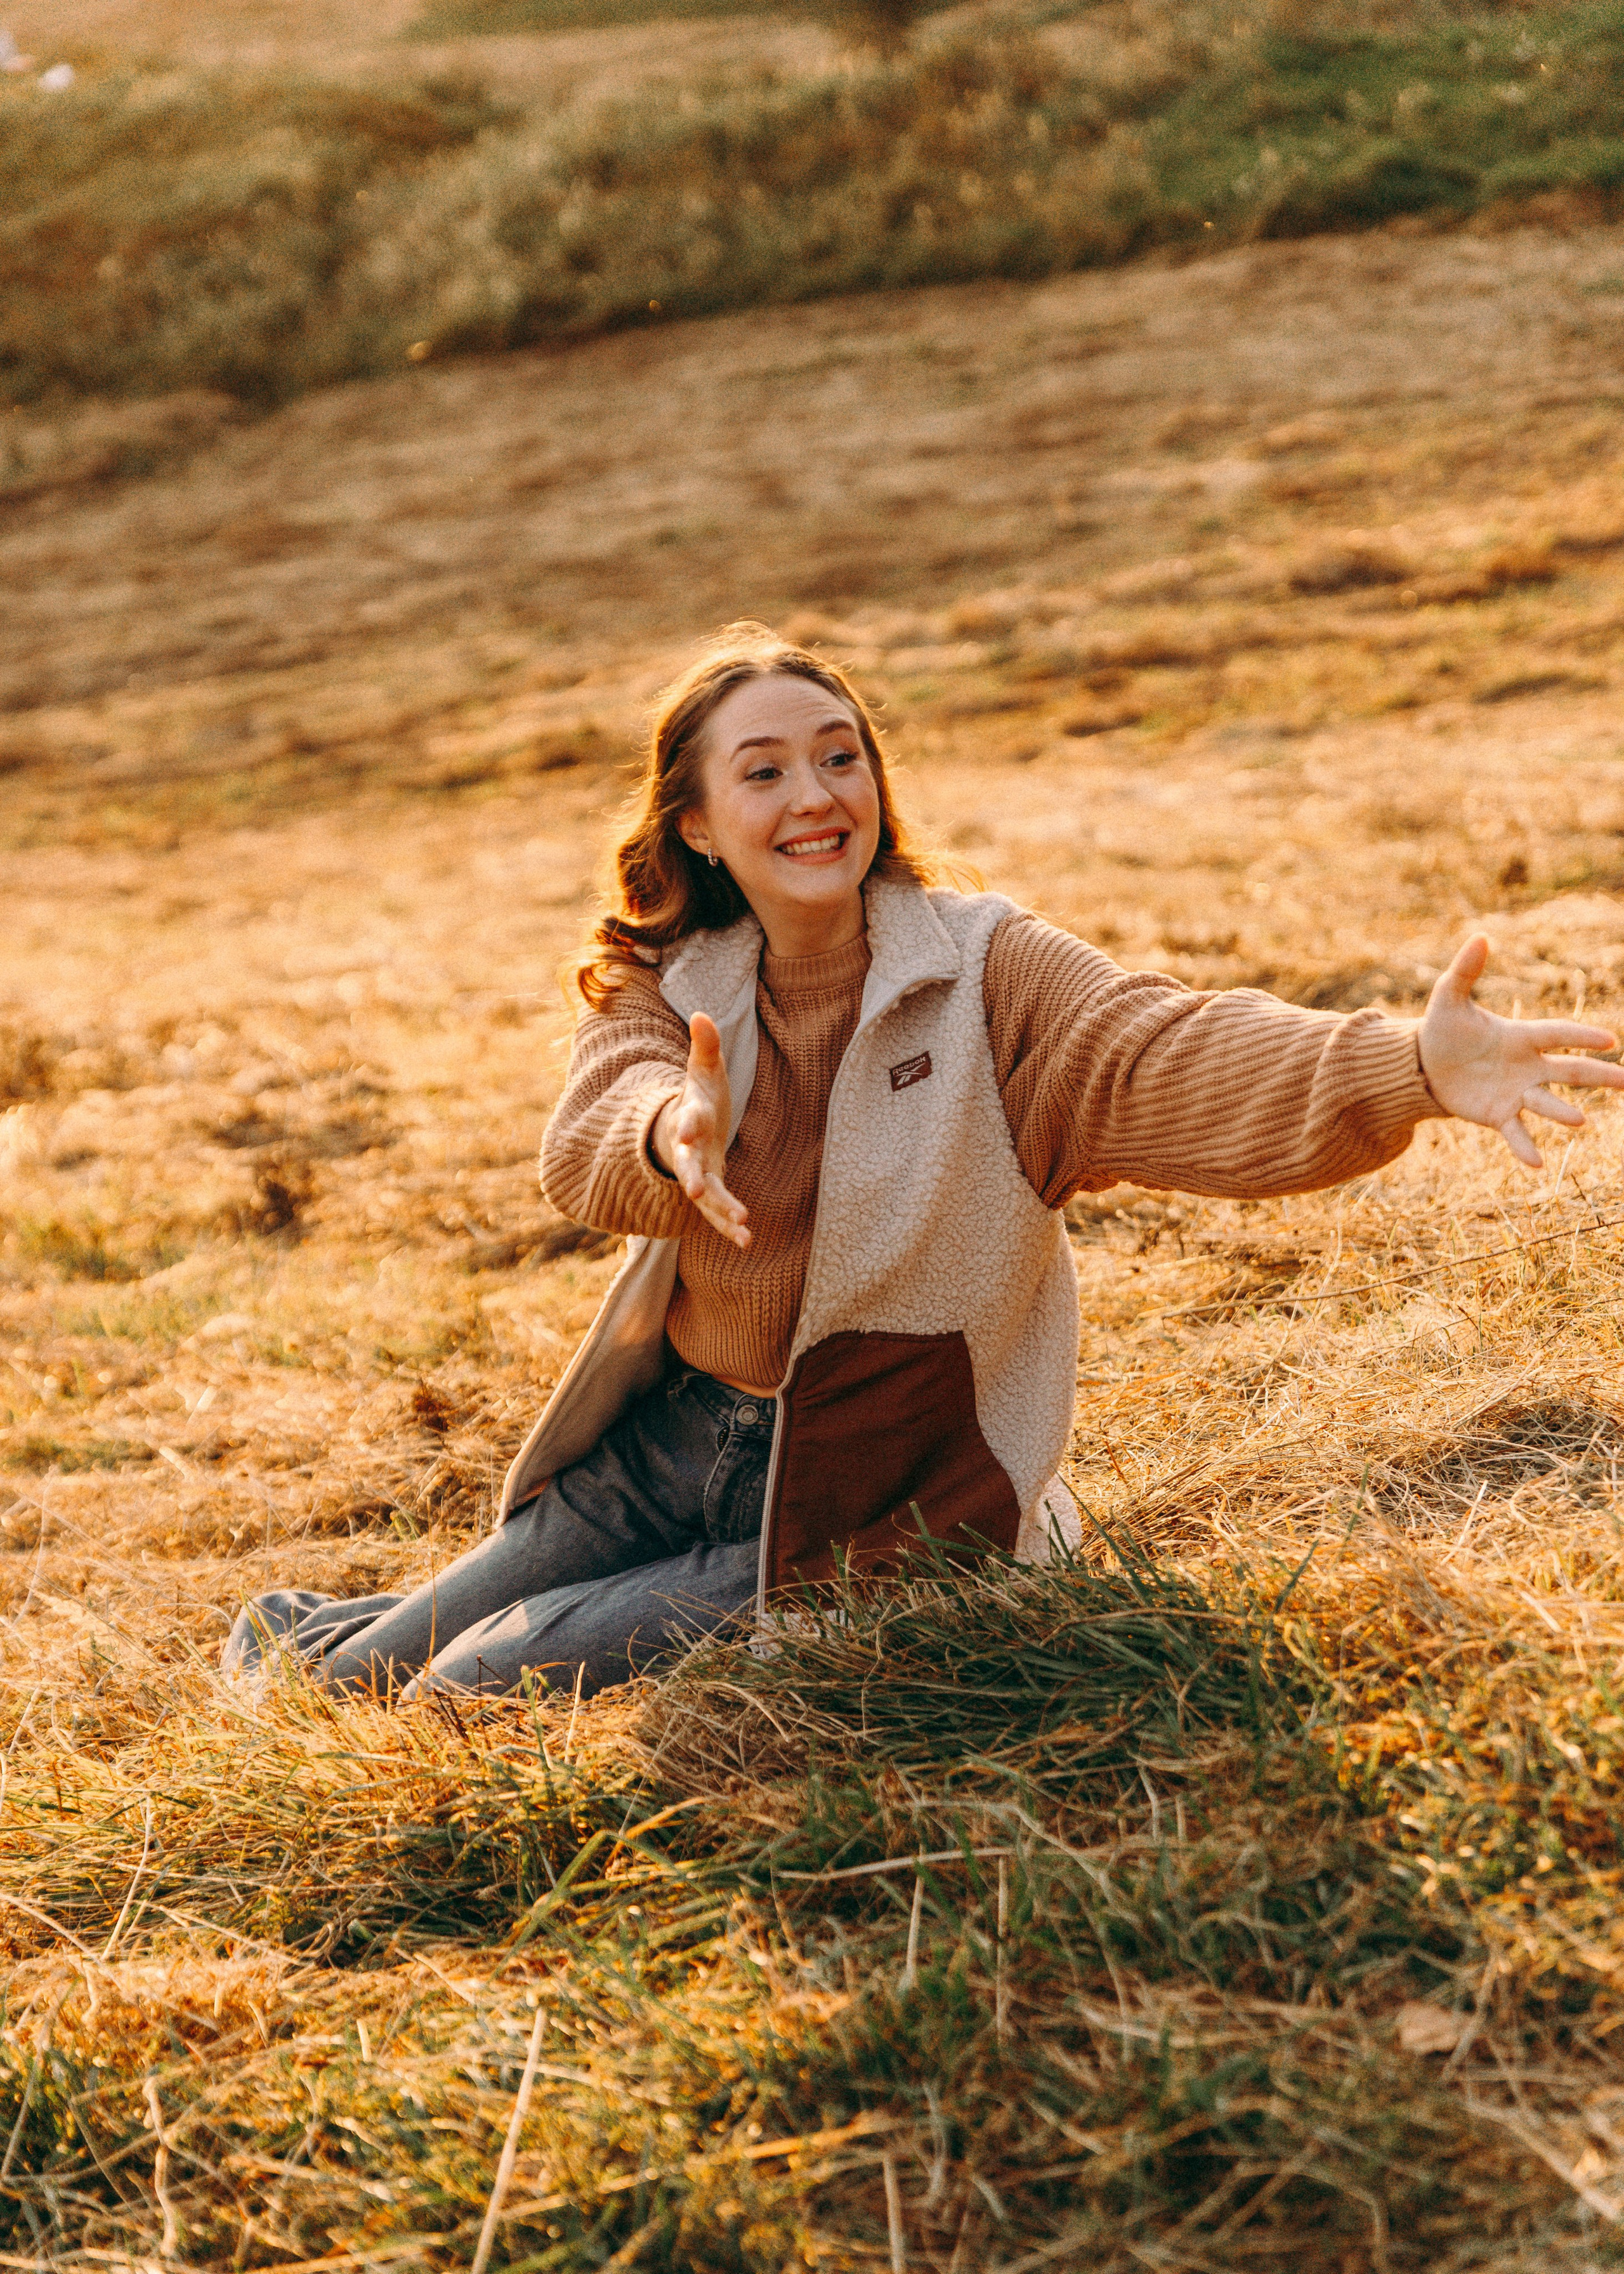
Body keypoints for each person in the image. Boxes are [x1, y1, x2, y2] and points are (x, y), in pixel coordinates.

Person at [223, 624, 1624, 1702]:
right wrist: (669, 1130)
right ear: (697, 823)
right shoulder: (673, 981)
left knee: (467, 1691)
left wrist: (1406, 1068)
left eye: (841, 756)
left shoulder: (985, 970)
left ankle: (992, 1548)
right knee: (341, 1683)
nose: (815, 795)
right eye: (764, 770)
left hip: (879, 1482)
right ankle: (318, 1630)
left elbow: (1164, 1046)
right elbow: (593, 1132)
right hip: (675, 1445)